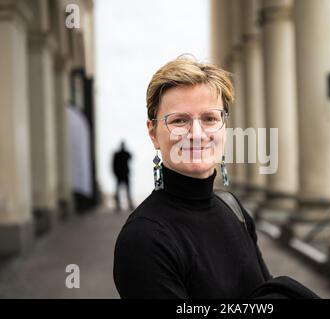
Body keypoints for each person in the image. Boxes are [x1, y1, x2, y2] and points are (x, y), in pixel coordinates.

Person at [113, 55, 318, 299]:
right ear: (153, 133)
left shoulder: (233, 208)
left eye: (210, 119)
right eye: (179, 120)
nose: (197, 134)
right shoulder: (143, 240)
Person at [112, 141, 134, 211]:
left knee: (125, 191)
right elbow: (113, 164)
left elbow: (131, 157)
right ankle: (119, 205)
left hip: (122, 174)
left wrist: (115, 173)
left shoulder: (118, 154)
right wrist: (115, 173)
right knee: (122, 191)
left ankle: (122, 205)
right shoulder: (121, 154)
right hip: (122, 174)